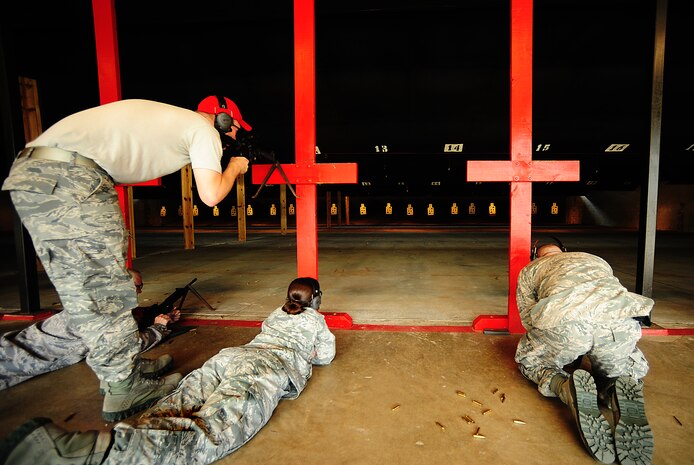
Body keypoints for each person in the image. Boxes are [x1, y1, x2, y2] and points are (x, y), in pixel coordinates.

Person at [0, 95, 252, 422]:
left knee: (99, 284)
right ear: (220, 118)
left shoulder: (172, 121)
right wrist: (235, 167)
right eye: (233, 128)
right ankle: (123, 386)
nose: (233, 136)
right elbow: (211, 194)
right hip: (70, 177)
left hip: (55, 174)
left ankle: (122, 366)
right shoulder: (199, 129)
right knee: (100, 290)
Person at [0, 277, 336, 465]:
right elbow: (325, 356)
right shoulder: (317, 321)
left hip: (231, 355)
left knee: (180, 401)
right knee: (216, 428)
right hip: (268, 366)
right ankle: (99, 456)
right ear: (317, 300)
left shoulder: (277, 312)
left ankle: (110, 439)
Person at [514, 243, 655, 465]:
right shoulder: (595, 259)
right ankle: (617, 386)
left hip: (566, 323)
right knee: (625, 360)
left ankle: (563, 386)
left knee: (530, 360)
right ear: (565, 251)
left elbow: (528, 319)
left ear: (536, 255)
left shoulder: (531, 269)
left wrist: (555, 345)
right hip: (617, 324)